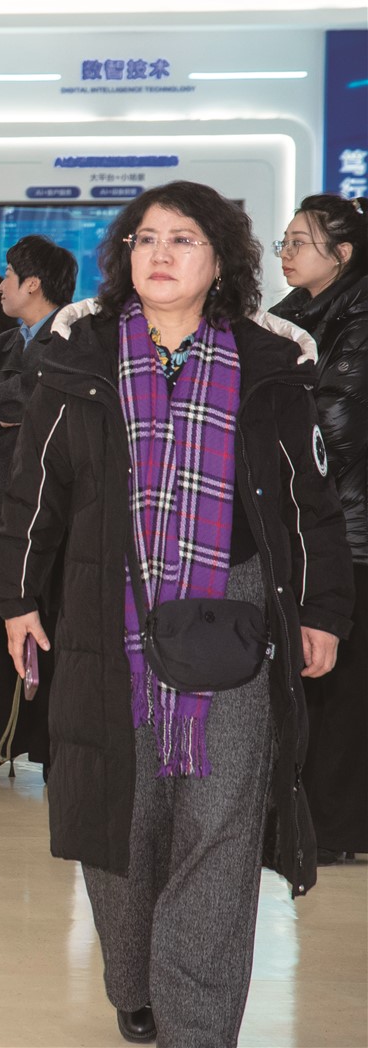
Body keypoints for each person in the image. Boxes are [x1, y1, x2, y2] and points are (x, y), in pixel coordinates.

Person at [0, 181, 349, 1046]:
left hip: (235, 619)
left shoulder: (269, 367)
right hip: (105, 616)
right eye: (146, 238)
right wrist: (16, 598)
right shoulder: (78, 361)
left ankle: (198, 1022)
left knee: (219, 829)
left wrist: (323, 610)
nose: (160, 254)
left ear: (220, 261)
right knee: (121, 821)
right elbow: (32, 494)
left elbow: (308, 505)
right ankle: (136, 978)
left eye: (183, 239)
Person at [0, 235, 76, 781]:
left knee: (52, 633)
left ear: (33, 283)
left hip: (49, 516)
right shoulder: (4, 342)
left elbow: (39, 398)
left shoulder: (72, 337)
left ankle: (53, 752)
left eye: (8, 274)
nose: (0, 286)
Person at [270, 193, 368, 866]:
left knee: (343, 686)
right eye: (285, 240)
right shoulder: (285, 318)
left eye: (300, 242)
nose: (287, 252)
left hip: (350, 529)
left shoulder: (358, 316)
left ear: (343, 254)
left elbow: (337, 425)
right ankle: (309, 820)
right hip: (299, 525)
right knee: (306, 679)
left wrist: (268, 446)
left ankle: (335, 829)